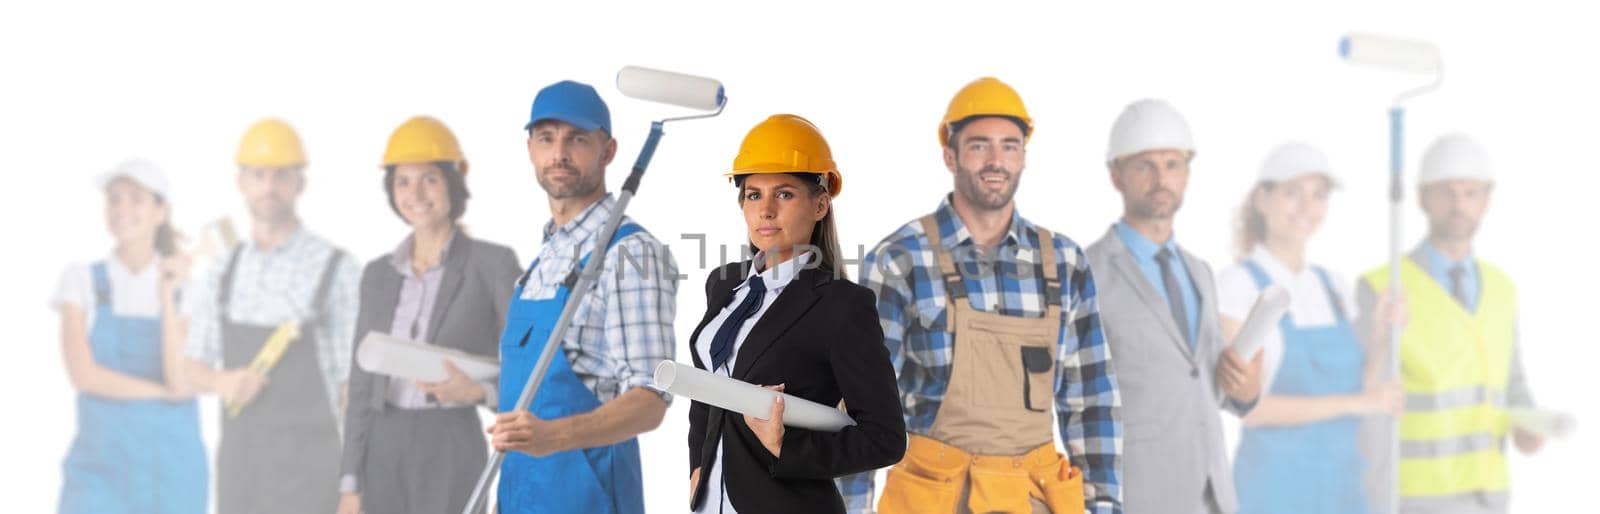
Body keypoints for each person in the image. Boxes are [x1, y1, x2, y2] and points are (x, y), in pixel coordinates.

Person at [840, 77, 1122, 514]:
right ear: (950, 155)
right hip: (932, 499)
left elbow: (1091, 401)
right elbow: (863, 410)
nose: (996, 160)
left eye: (1010, 145)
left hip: (1036, 498)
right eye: (979, 146)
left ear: (1024, 156)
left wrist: (1104, 506)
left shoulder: (1065, 263)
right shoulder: (900, 261)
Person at [687, 114, 905, 514]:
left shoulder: (840, 304)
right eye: (754, 195)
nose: (765, 211)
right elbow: (708, 391)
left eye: (784, 194)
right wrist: (698, 466)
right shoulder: (723, 285)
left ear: (820, 204)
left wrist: (786, 447)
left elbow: (884, 437)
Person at [483, 80, 679, 514]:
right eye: (546, 138)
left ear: (607, 152)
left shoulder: (630, 252)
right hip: (522, 495)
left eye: (577, 139)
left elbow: (650, 399)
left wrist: (552, 436)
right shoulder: (542, 260)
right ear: (530, 148)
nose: (559, 154)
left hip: (588, 499)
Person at [1085, 99, 1264, 514]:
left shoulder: (1199, 272)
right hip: (1138, 494)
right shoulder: (1088, 274)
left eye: (1172, 164)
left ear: (1186, 174)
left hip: (1212, 491)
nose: (1160, 178)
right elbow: (1071, 395)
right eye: (1144, 165)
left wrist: (1246, 387)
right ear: (1117, 175)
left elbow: (1203, 383)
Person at [335, 116, 522, 514]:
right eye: (403, 181)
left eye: (430, 179)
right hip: (382, 445)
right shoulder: (378, 275)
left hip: (450, 441)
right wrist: (350, 482)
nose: (415, 193)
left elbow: (532, 366)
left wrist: (480, 392)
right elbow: (361, 382)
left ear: (453, 184)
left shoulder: (492, 265)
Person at [177, 117, 360, 513]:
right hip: (241, 476)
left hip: (314, 477)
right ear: (241, 182)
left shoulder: (334, 268)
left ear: (300, 183)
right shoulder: (222, 271)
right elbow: (191, 367)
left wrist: (354, 485)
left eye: (281, 175)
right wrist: (222, 380)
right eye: (258, 175)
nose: (269, 187)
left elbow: (355, 390)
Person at [1355, 134, 1543, 514]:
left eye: (1470, 192)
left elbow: (1513, 384)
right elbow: (1356, 394)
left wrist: (1531, 426)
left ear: (1487, 200)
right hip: (1412, 499)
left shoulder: (1503, 289)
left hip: (1489, 497)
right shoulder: (1382, 288)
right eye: (1447, 192)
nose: (1459, 204)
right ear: (1422, 197)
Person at [1218, 142, 1400, 514]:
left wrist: (1381, 334)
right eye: (1292, 193)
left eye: (1318, 195)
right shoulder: (1236, 287)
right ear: (1262, 199)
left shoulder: (1335, 286)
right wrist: (1360, 403)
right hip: (1275, 493)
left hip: (1344, 487)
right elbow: (1248, 408)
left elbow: (1361, 385)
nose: (1307, 207)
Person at [56, 159, 207, 514]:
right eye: (114, 199)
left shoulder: (190, 291)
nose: (121, 209)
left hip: (172, 474)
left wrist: (168, 295)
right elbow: (83, 375)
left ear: (160, 211)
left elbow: (179, 377)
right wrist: (162, 394)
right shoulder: (80, 281)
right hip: (98, 473)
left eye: (136, 198)